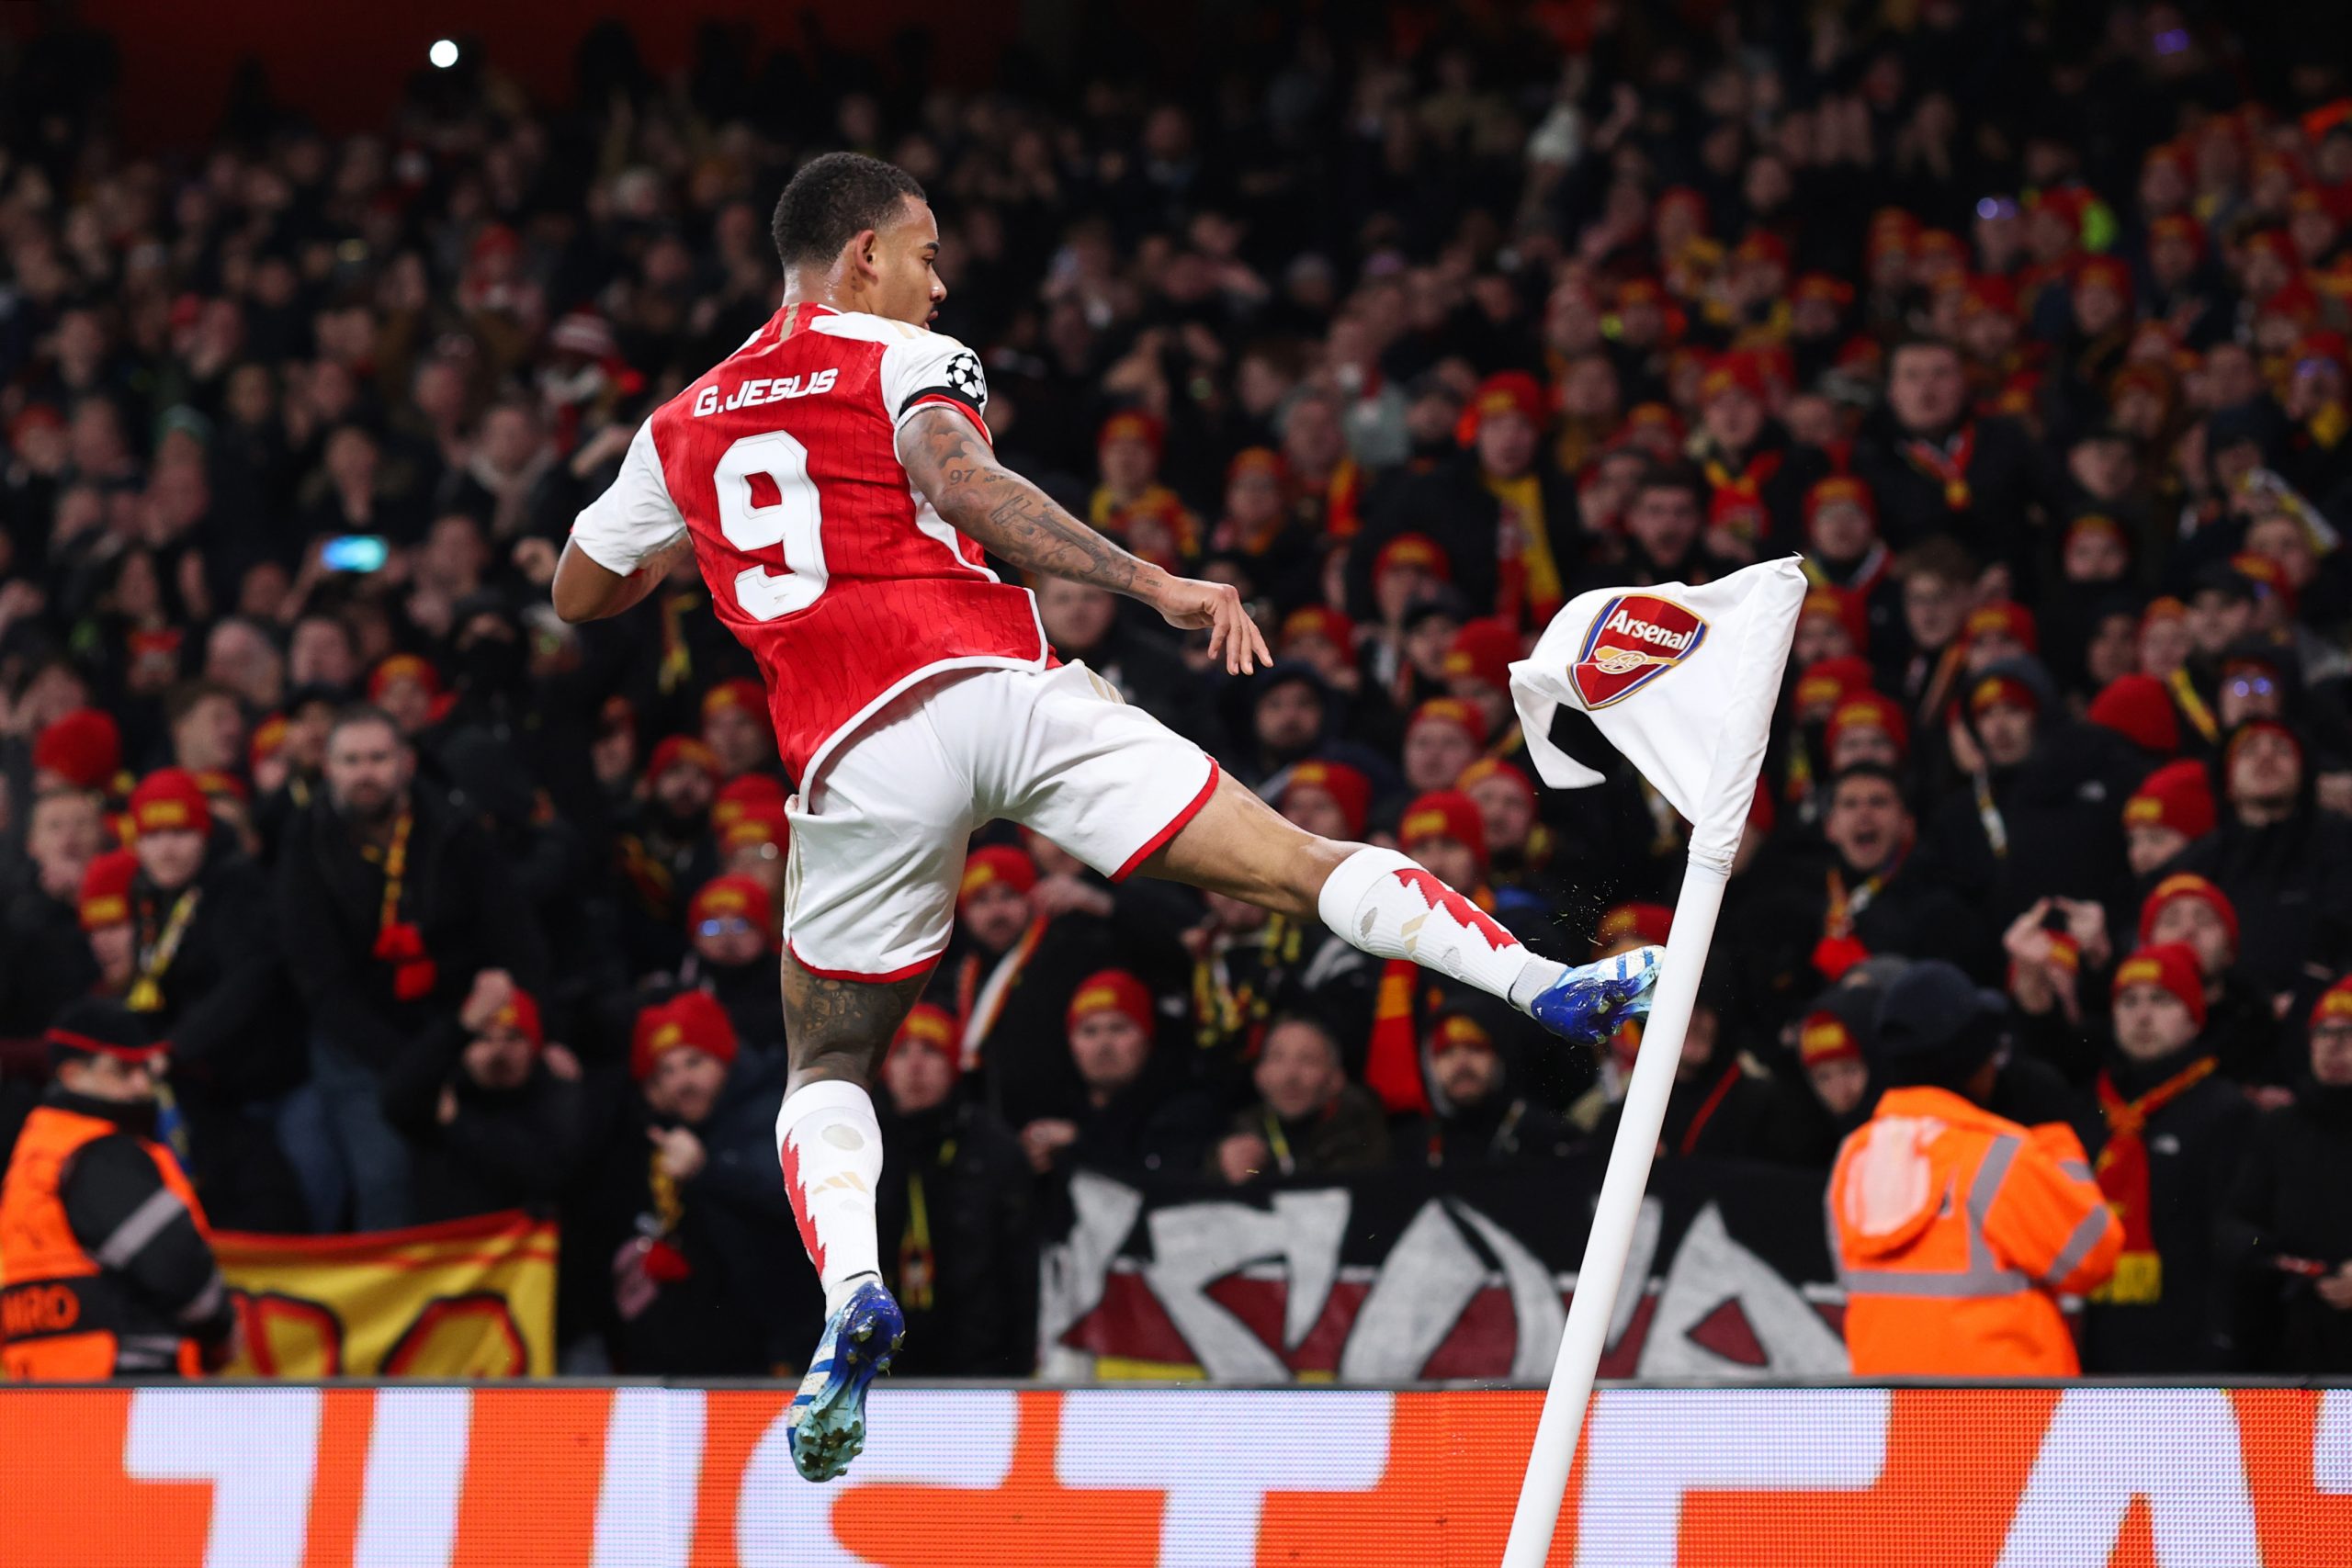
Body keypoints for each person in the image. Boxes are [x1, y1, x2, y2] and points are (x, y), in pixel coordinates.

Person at [549, 152, 1663, 1479]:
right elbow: (964, 485)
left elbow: (579, 592)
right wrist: (1154, 582)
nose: (939, 277)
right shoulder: (906, 357)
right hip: (999, 688)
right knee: (1296, 866)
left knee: (827, 1064)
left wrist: (693, 543)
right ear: (860, 260)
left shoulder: (683, 420)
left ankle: (852, 1286)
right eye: (924, 249)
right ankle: (1538, 981)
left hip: (854, 757)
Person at [274, 707, 548, 1232]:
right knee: (387, 1182)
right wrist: (411, 1069)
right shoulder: (304, 842)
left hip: (460, 1029)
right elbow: (321, 983)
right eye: (350, 760)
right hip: (360, 1046)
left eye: (378, 757)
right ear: (328, 768)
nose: (365, 773)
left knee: (482, 1171)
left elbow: (515, 938)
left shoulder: (455, 828)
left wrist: (540, 1029)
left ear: (406, 762)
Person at [1827, 962, 2120, 1376]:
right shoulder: (1997, 1157)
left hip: (1899, 1421)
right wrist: (2057, 1143)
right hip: (2006, 1423)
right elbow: (2094, 1257)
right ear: (1973, 1061)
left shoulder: (1853, 1157)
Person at [0, 1001, 237, 1379]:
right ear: (73, 1074)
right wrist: (220, 1330)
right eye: (122, 1070)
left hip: (39, 1392)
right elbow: (173, 1263)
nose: (142, 1085)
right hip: (125, 1381)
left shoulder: (36, 1154)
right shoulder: (102, 1154)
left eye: (144, 1069)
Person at [2073, 943, 2256, 1372]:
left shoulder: (2225, 1110)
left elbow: (2230, 1241)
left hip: (2188, 1348)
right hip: (2097, 1343)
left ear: (2193, 1017)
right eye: (2129, 1001)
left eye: (2161, 1000)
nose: (2142, 1015)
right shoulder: (2090, 1109)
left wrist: (2221, 1340)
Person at [871, 1005, 1035, 1376]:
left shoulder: (994, 1148)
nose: (915, 1066)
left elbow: (1021, 1274)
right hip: (879, 1369)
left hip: (980, 1367)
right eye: (901, 1052)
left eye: (930, 1050)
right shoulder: (862, 1146)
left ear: (953, 1064)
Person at [2223, 977, 2352, 1372]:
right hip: (2293, 1340)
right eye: (2324, 1032)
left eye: (2348, 1033)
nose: (2334, 1045)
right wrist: (2275, 1258)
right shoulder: (2280, 1127)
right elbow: (2238, 1221)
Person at [1212, 1012, 1391, 1182]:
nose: (1290, 1076)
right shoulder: (1244, 1129)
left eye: (1308, 1060)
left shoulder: (1362, 1133)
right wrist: (1225, 1170)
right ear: (1259, 1075)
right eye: (1277, 1058)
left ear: (1336, 1079)